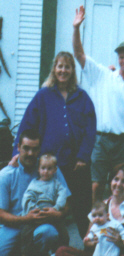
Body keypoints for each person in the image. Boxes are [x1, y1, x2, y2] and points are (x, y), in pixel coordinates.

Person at [12, 50, 96, 238]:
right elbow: (27, 125)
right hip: (49, 166)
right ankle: (53, 245)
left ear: (72, 70)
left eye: (67, 66)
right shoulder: (43, 96)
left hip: (76, 164)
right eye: (60, 66)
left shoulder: (82, 97)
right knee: (50, 206)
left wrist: (83, 156)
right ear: (54, 69)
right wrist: (15, 155)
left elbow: (91, 129)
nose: (63, 70)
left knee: (82, 208)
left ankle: (89, 247)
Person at [73, 6, 124, 204]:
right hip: (101, 140)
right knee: (96, 186)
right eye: (121, 56)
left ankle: (119, 225)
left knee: (123, 187)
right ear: (117, 58)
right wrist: (77, 28)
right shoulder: (103, 75)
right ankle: (94, 225)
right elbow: (79, 54)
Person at [0, 129, 70, 255]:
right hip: (13, 225)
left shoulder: (49, 168)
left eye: (35, 149)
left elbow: (67, 202)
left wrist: (58, 214)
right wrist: (26, 219)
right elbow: (1, 214)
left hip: (43, 223)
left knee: (48, 233)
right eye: (26, 148)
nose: (30, 153)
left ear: (39, 150)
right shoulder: (6, 175)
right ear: (18, 148)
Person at [56, 163, 124, 256]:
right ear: (110, 181)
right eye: (116, 179)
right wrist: (91, 242)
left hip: (121, 253)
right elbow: (87, 241)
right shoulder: (102, 206)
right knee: (62, 251)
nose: (118, 184)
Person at [21, 154, 70, 256]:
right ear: (38, 169)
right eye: (43, 168)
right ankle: (27, 252)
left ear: (55, 170)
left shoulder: (56, 184)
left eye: (49, 168)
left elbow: (62, 195)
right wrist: (34, 209)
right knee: (25, 234)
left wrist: (56, 208)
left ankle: (60, 251)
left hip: (52, 212)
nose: (45, 171)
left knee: (64, 235)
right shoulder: (34, 184)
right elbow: (27, 197)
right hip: (37, 213)